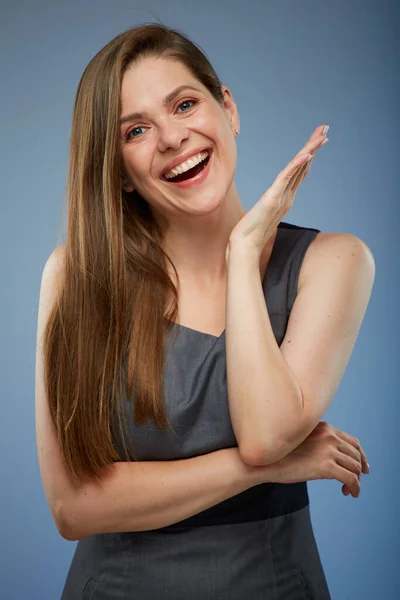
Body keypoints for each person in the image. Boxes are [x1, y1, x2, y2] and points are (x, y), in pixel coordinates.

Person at [35, 22, 375, 600]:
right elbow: (74, 508)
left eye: (185, 104)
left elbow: (266, 435)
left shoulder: (334, 261)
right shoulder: (75, 274)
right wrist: (266, 470)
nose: (171, 138)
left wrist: (242, 255)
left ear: (229, 110)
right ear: (117, 168)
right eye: (137, 130)